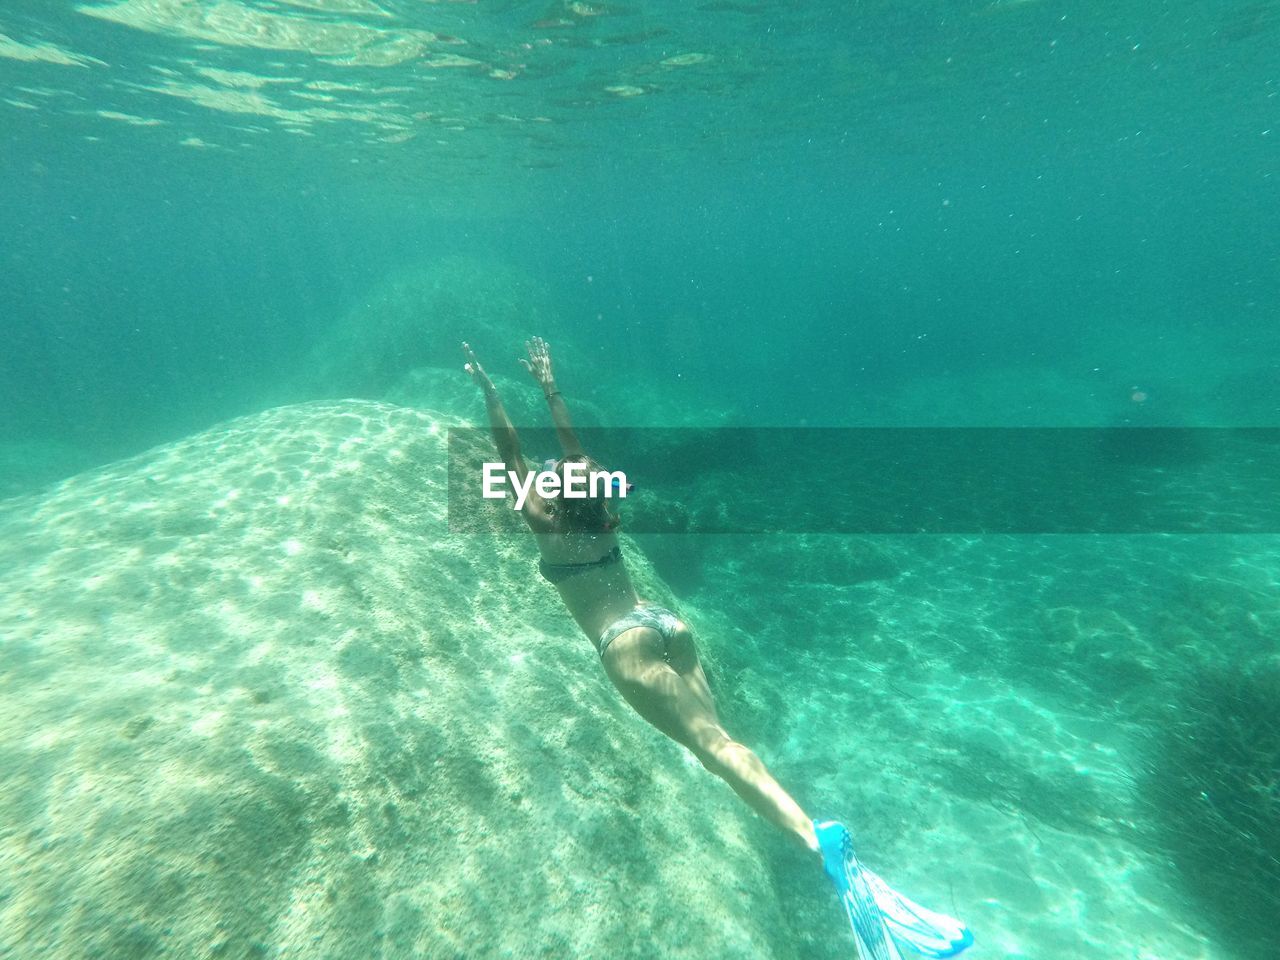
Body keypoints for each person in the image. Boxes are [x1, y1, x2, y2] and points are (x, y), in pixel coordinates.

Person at [463, 337, 972, 960]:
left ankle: (819, 843)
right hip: (664, 622)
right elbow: (565, 447)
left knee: (716, 750)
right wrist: (547, 384)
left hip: (626, 646)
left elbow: (508, 452)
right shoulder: (597, 505)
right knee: (721, 743)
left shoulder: (544, 521)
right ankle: (806, 829)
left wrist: (488, 392)